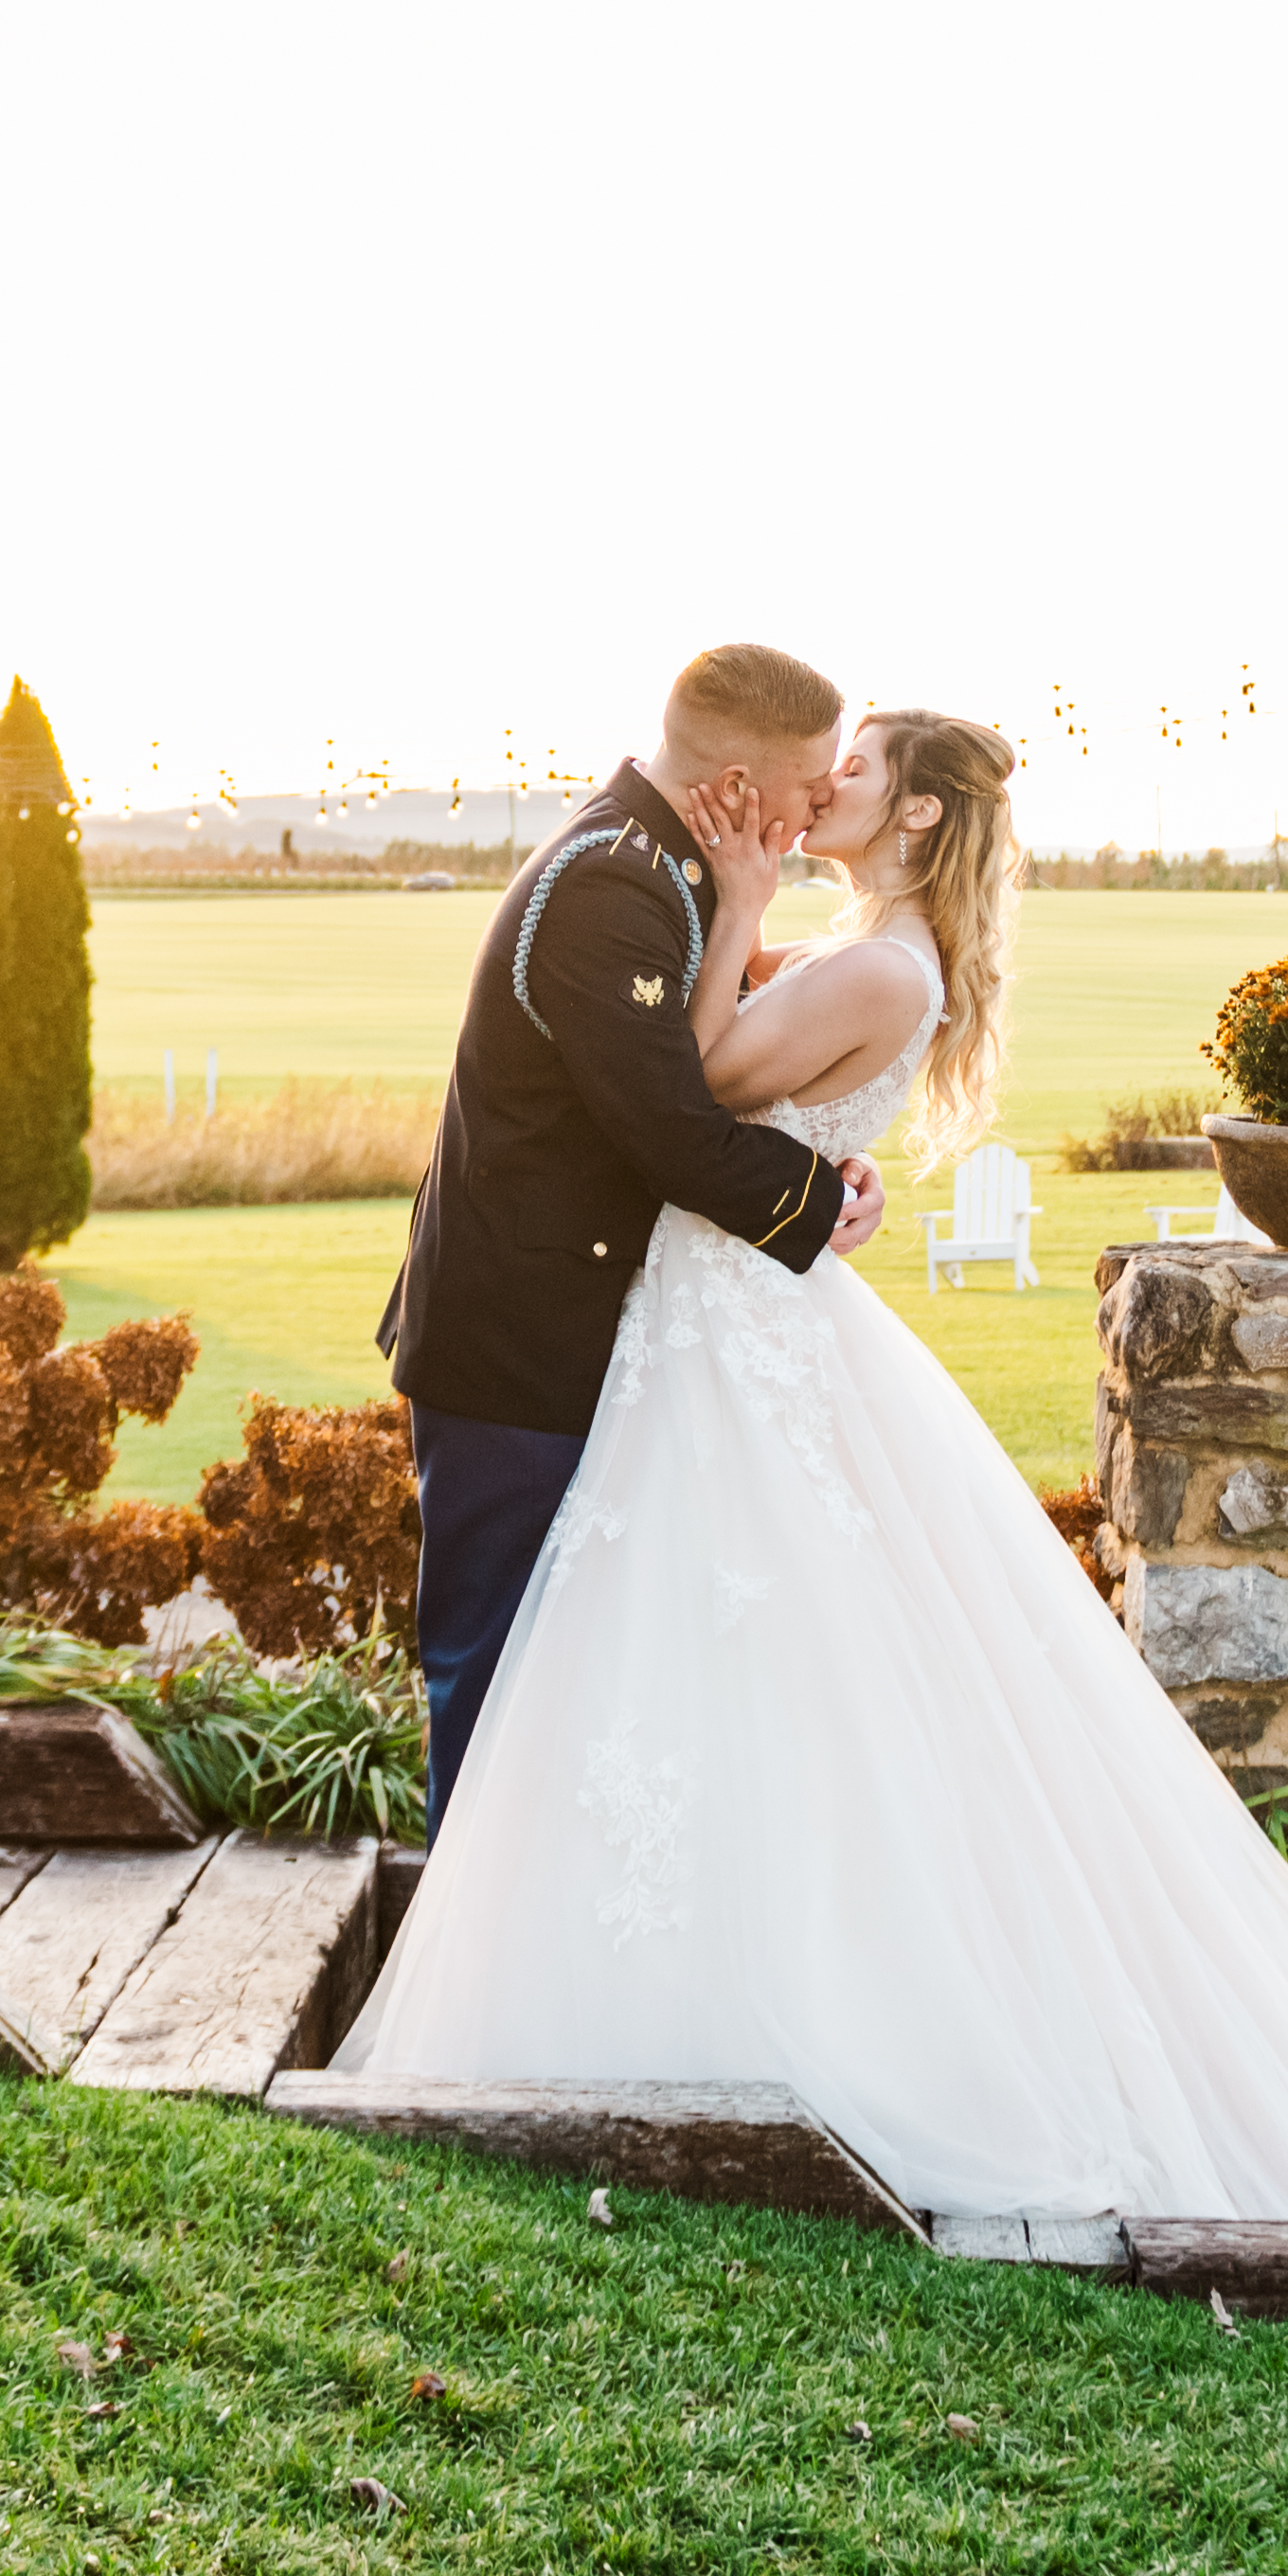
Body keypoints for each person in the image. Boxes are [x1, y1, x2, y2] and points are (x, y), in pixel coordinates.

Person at [343, 699, 1288, 2325]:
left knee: (750, 1661)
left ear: (914, 819)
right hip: (721, 1334)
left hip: (735, 1340)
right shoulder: (872, 948)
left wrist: (742, 895)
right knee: (754, 1674)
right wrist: (771, 974)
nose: (809, 798)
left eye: (843, 779)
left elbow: (696, 1077)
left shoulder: (867, 955)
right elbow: (704, 1102)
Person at [379, 640, 886, 1796]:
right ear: (742, 779)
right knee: (495, 1665)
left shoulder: (677, 866)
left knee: (576, 1680)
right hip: (517, 1344)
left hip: (583, 1334)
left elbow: (731, 1047)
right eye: (811, 780)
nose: (819, 802)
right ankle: (463, 1965)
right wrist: (820, 1202)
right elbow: (661, 1123)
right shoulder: (611, 881)